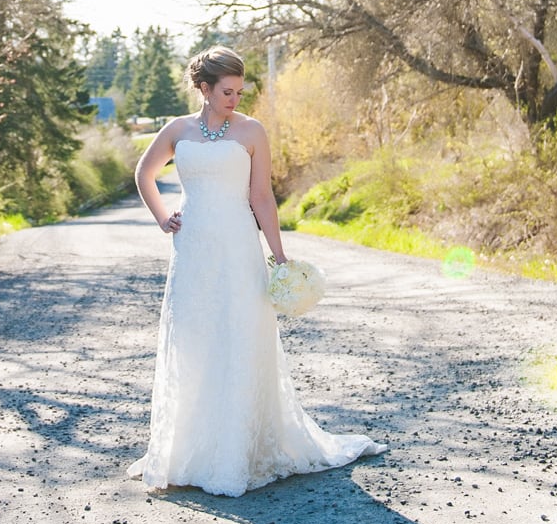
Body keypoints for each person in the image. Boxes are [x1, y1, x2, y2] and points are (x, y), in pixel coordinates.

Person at [126, 46, 384, 496]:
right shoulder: (177, 129)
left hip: (239, 246)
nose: (235, 98)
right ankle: (191, 449)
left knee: (242, 337)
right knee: (196, 339)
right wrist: (162, 217)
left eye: (240, 91)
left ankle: (239, 450)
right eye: (227, 91)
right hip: (194, 251)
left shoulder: (251, 131)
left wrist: (279, 255)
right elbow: (144, 173)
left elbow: (261, 197)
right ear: (204, 89)